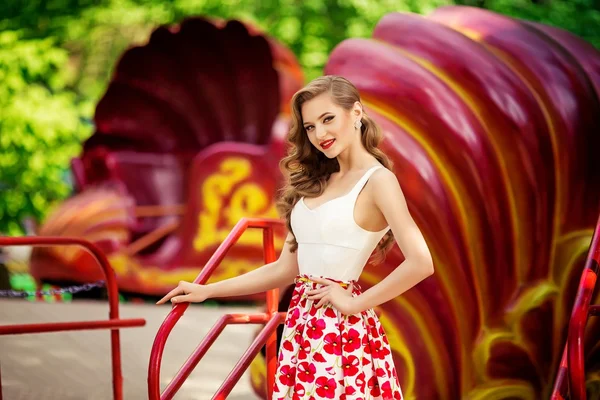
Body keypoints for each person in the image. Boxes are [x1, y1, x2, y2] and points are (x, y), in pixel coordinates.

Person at [157, 75, 434, 399]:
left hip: (340, 333)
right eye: (310, 126)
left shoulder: (378, 181)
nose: (320, 134)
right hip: (302, 327)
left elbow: (420, 262)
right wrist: (207, 290)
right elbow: (284, 270)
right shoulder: (315, 182)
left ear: (356, 113)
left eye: (328, 119)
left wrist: (355, 302)